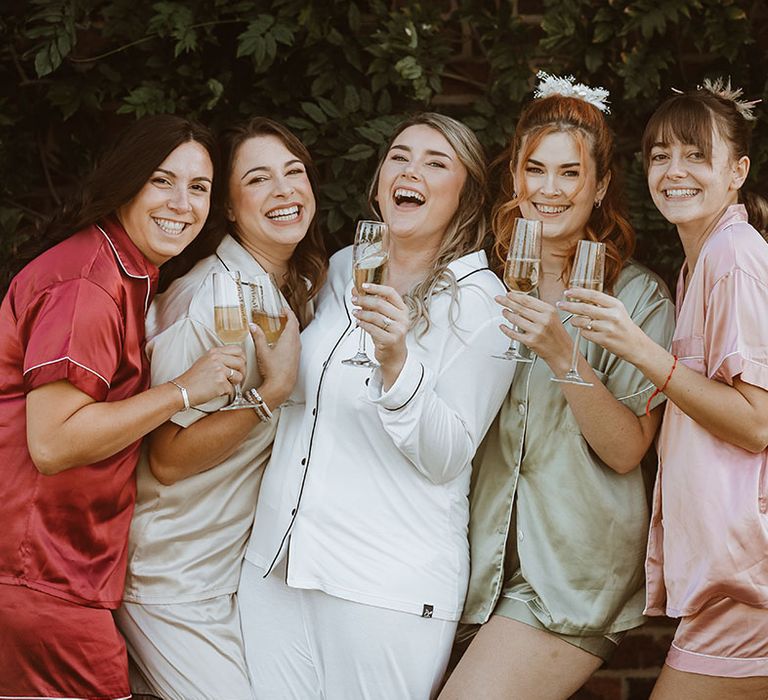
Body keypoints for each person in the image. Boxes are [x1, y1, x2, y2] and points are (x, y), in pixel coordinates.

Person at [238, 112, 516, 699]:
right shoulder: (342, 269)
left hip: (385, 586)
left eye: (436, 163)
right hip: (280, 569)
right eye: (399, 155)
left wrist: (396, 361)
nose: (410, 170)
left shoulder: (483, 306)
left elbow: (448, 456)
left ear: (465, 195)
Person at [440, 74, 676, 700]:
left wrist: (564, 354)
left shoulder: (637, 299)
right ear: (514, 177)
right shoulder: (476, 284)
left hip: (573, 568)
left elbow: (627, 451)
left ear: (599, 187)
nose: (549, 189)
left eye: (569, 174)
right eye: (534, 169)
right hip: (465, 563)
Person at [0, 115, 244, 699]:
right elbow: (54, 443)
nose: (182, 203)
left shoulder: (124, 271)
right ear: (127, 182)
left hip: (53, 574)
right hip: (39, 574)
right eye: (163, 181)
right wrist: (184, 390)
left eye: (200, 187)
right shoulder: (89, 283)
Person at [556, 80, 768, 700]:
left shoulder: (734, 255)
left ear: (738, 171)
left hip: (748, 576)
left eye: (696, 155)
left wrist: (636, 348)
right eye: (659, 155)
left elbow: (758, 421)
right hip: (733, 570)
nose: (673, 171)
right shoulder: (703, 257)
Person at [115, 117, 327, 700]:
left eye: (294, 172)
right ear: (229, 208)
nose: (285, 190)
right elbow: (169, 459)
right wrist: (270, 396)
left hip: (233, 575)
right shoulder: (209, 297)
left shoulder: (290, 290)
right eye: (259, 179)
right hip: (173, 575)